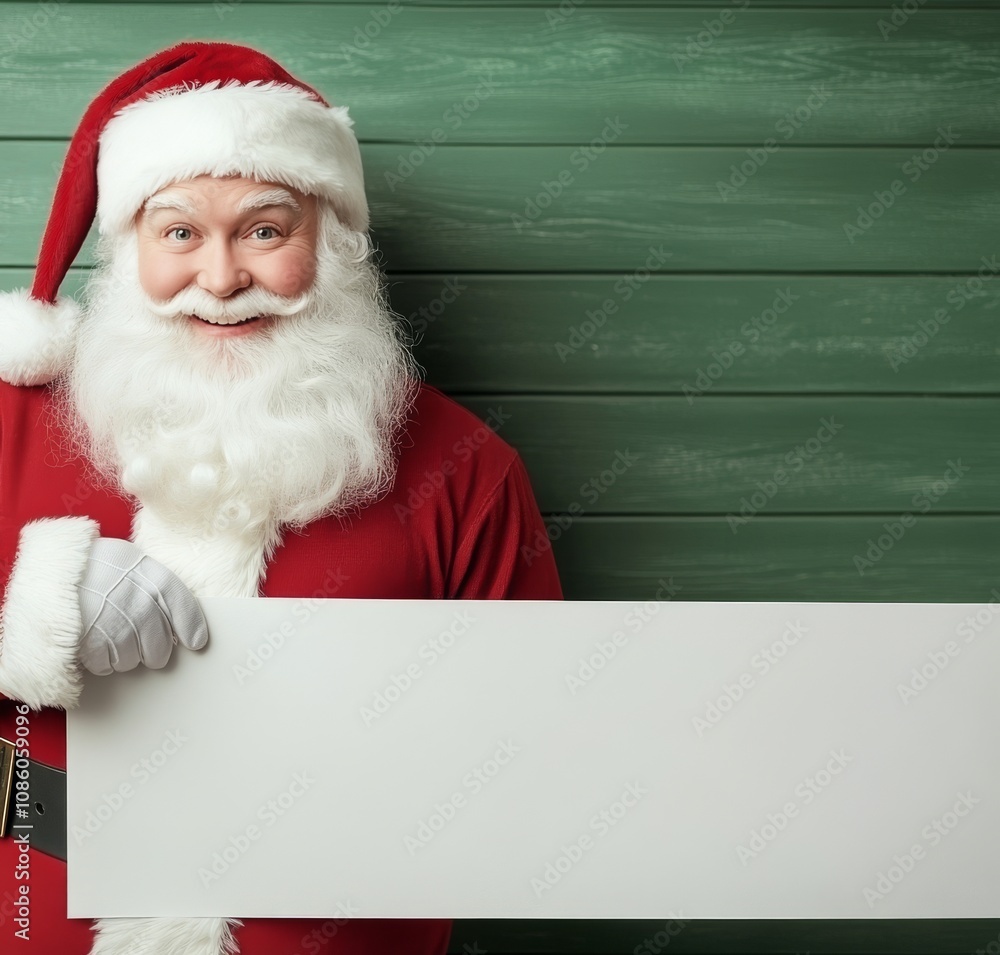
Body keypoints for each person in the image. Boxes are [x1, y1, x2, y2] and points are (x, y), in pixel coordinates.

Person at [0, 41, 563, 955]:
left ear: (332, 240)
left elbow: (539, 739)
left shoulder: (466, 467)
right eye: (178, 232)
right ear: (129, 245)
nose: (220, 281)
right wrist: (26, 609)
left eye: (265, 230)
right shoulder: (8, 421)